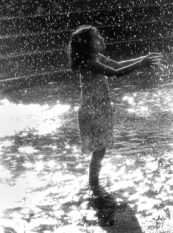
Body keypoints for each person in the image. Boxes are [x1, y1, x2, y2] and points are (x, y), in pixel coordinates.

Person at [68, 25, 163, 193]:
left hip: (98, 109)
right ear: (87, 44)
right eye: (97, 38)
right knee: (98, 151)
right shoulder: (90, 62)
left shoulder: (96, 57)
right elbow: (115, 72)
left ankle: (94, 185)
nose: (102, 39)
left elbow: (118, 64)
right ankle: (94, 187)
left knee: (100, 150)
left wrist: (141, 59)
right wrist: (141, 64)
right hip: (93, 112)